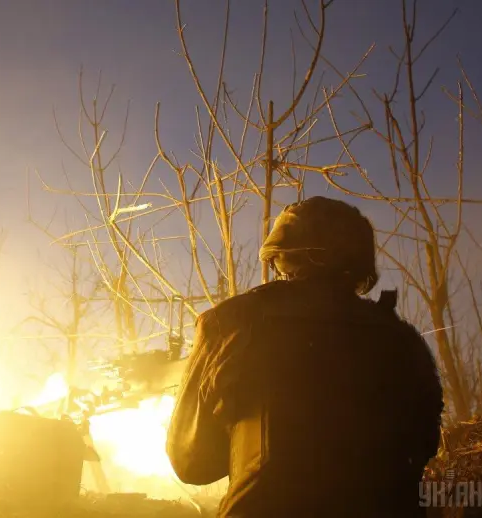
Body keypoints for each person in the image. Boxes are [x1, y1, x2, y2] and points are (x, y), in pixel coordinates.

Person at [165, 196, 444, 518]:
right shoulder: (403, 340)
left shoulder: (232, 322)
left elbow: (191, 463)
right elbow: (423, 448)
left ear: (282, 258)